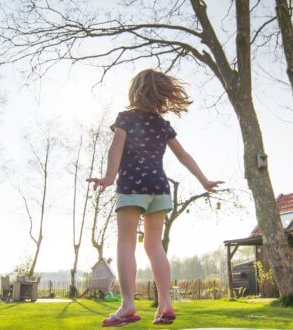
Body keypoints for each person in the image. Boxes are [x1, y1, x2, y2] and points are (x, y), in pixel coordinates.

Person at [87, 69, 223, 327]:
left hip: (132, 188)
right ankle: (166, 304)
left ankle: (127, 306)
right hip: (159, 188)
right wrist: (204, 180)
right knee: (154, 245)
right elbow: (184, 156)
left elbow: (115, 147)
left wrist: (108, 177)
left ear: (135, 90)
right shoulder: (162, 124)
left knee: (126, 242)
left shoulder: (125, 119)